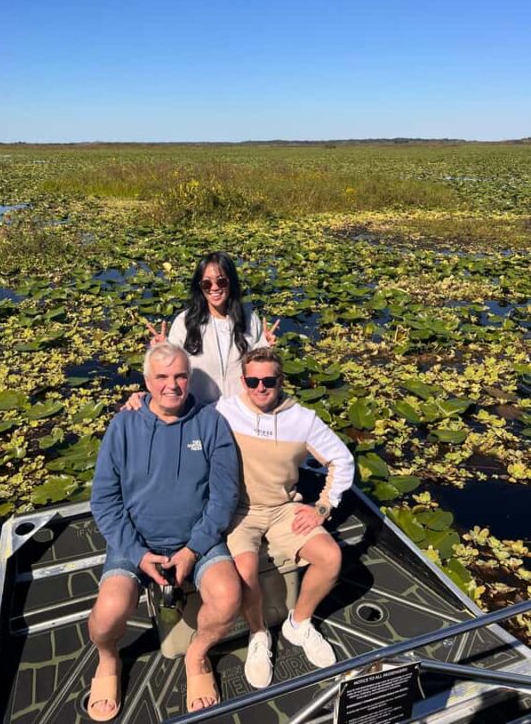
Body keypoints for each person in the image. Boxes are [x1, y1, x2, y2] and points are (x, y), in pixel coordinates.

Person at [88, 343, 242, 721]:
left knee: (228, 597)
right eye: (162, 377)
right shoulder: (124, 424)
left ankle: (197, 654)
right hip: (135, 543)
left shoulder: (211, 423)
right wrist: (137, 553)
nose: (172, 385)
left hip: (197, 541)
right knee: (108, 613)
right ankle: (108, 660)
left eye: (180, 376)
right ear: (146, 382)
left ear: (189, 379)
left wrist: (193, 549)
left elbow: (225, 496)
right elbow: (104, 501)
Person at [217, 347, 354, 689]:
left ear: (281, 380)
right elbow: (180, 419)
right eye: (252, 380)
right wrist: (141, 402)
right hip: (240, 510)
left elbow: (342, 460)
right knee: (245, 570)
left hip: (283, 508)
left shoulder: (303, 419)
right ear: (242, 381)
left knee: (331, 556)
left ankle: (299, 622)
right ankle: (258, 633)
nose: (260, 387)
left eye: (268, 380)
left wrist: (323, 507)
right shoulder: (224, 411)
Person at [142, 251, 279, 404]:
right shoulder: (184, 322)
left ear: (231, 282)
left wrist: (266, 348)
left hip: (241, 409)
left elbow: (259, 370)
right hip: (200, 412)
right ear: (199, 286)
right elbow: (172, 370)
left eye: (221, 282)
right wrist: (162, 350)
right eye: (206, 283)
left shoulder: (249, 320)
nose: (214, 288)